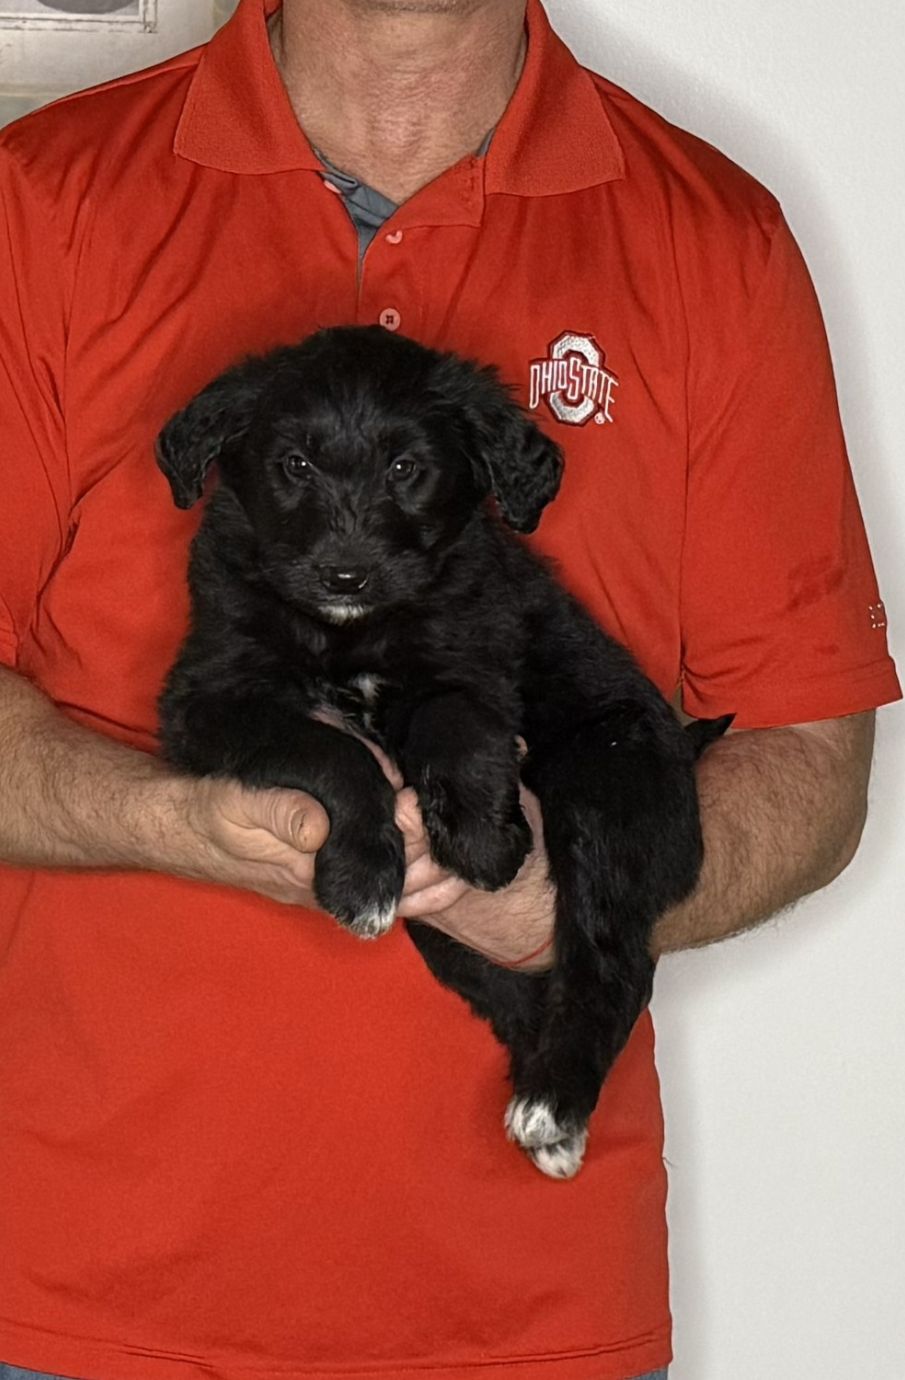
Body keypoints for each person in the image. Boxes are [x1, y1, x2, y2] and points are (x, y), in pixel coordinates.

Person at [0, 2, 898, 1379]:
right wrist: (164, 817)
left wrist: (565, 906)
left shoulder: (711, 239)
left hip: (522, 1314)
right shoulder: (42, 199)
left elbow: (807, 747)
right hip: (81, 1290)